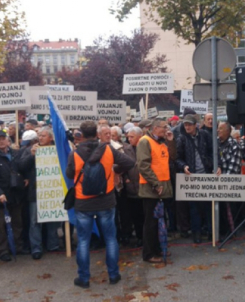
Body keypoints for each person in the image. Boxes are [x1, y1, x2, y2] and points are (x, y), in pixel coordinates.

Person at [66, 121, 134, 289]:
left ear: (81, 134)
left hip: (83, 202)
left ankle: (84, 278)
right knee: (111, 239)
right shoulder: (108, 149)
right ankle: (113, 274)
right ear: (97, 134)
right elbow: (130, 163)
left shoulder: (74, 153)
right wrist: (114, 170)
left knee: (83, 241)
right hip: (106, 200)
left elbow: (69, 174)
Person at [17, 128, 60, 260]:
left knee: (52, 218)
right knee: (35, 221)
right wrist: (32, 155)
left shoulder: (56, 150)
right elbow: (21, 166)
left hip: (52, 190)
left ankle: (53, 244)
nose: (40, 138)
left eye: (43, 136)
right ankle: (36, 248)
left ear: (51, 138)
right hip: (35, 191)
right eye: (39, 136)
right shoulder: (30, 149)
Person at [0, 131, 27, 261]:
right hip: (1, 198)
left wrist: (25, 178)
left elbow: (22, 169)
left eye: (4, 139)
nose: (2, 141)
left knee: (17, 224)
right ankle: (2, 251)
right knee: (0, 226)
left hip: (16, 196)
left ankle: (17, 247)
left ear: (8, 140)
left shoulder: (16, 154)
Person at [136, 119, 174, 263]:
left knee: (159, 221)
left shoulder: (161, 142)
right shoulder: (145, 142)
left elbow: (172, 158)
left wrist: (170, 142)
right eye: (164, 127)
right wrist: (156, 184)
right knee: (150, 223)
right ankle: (149, 254)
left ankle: (158, 249)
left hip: (161, 188)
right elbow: (143, 166)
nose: (166, 129)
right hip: (151, 188)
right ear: (155, 128)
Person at [175, 114, 214, 244]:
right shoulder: (181, 139)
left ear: (195, 125)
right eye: (185, 125)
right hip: (191, 177)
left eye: (189, 124)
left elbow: (212, 151)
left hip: (206, 175)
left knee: (209, 205)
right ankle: (196, 233)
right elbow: (178, 158)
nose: (187, 127)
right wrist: (184, 166)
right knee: (194, 208)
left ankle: (210, 231)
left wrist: (215, 165)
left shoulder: (204, 135)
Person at [123, 127, 145, 248]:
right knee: (135, 216)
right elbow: (122, 165)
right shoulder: (126, 150)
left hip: (145, 187)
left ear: (139, 137)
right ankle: (139, 237)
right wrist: (125, 177)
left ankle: (147, 237)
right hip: (131, 188)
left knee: (146, 215)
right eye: (128, 137)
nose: (129, 139)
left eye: (132, 137)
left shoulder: (146, 147)